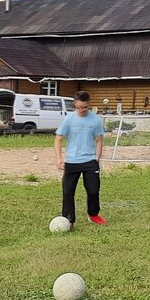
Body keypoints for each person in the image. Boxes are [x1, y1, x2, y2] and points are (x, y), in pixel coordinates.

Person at [54, 91, 107, 227]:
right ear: (75, 105)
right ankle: (69, 220)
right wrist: (59, 158)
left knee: (93, 191)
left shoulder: (95, 120)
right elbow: (58, 139)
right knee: (68, 192)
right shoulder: (69, 119)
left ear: (89, 104)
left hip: (90, 161)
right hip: (72, 161)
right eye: (78, 107)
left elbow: (99, 140)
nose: (81, 110)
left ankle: (93, 215)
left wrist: (97, 159)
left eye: (84, 107)